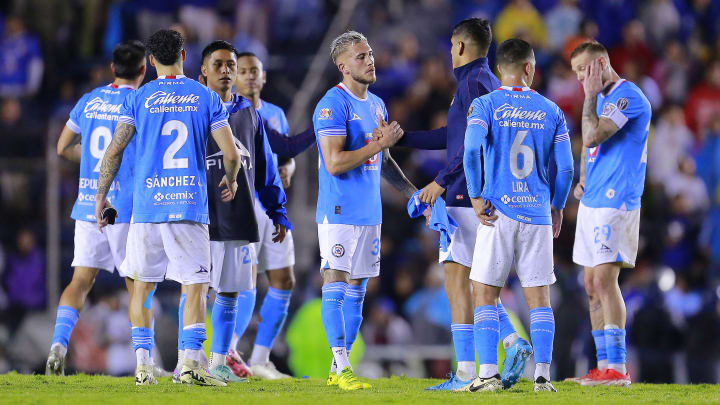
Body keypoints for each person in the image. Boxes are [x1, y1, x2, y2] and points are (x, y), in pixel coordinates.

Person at [95, 29, 240, 387]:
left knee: (141, 288)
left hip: (147, 209)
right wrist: (232, 179)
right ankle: (190, 365)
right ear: (184, 55)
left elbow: (114, 151)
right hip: (188, 206)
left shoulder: (138, 99)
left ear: (150, 62)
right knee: (195, 286)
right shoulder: (205, 96)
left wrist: (101, 196)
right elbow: (231, 154)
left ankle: (143, 367)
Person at [396, 18, 530, 390]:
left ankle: (470, 371)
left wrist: (441, 183)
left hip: (464, 193)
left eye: (452, 45)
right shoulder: (480, 82)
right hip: (474, 192)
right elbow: (452, 136)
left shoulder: (473, 84)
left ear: (459, 47)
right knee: (473, 279)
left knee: (458, 279)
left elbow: (472, 148)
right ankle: (510, 341)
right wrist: (404, 137)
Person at [169, 40, 291, 384]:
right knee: (195, 288)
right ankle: (186, 360)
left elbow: (265, 165)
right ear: (203, 70)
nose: (226, 70)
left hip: (238, 215)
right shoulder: (190, 109)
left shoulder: (249, 113)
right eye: (218, 64)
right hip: (198, 215)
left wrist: (277, 210)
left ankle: (219, 361)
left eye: (231, 65)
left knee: (230, 291)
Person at [463, 38, 574, 393]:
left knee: (484, 292)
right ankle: (542, 376)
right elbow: (568, 170)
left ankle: (489, 375)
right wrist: (556, 205)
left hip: (497, 211)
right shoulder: (552, 110)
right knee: (539, 297)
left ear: (499, 70)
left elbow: (470, 151)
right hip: (537, 213)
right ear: (530, 68)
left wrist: (477, 196)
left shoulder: (485, 104)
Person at [313, 30, 418, 390]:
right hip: (339, 210)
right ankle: (342, 365)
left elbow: (384, 160)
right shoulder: (332, 104)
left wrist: (410, 192)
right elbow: (334, 162)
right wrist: (379, 146)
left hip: (370, 212)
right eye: (361, 56)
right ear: (343, 66)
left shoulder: (377, 105)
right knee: (336, 283)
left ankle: (337, 364)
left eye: (370, 53)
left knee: (359, 290)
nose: (370, 60)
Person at [46, 40, 146, 376]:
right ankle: (146, 361)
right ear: (143, 70)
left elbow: (62, 147)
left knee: (80, 282)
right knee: (136, 283)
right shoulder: (140, 102)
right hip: (123, 206)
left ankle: (58, 348)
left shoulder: (89, 101)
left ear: (112, 69)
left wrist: (88, 160)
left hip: (88, 204)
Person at [225, 51, 315, 379]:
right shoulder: (229, 111)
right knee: (244, 280)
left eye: (255, 71)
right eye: (243, 71)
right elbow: (285, 146)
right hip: (242, 207)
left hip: (272, 208)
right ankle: (228, 353)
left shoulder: (275, 113)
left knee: (283, 279)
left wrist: (288, 166)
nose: (249, 76)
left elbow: (284, 152)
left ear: (264, 78)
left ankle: (261, 358)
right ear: (234, 78)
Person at [567, 41, 651, 387]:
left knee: (604, 280)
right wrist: (585, 178)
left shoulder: (627, 96)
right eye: (575, 74)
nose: (580, 79)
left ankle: (617, 368)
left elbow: (592, 135)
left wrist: (588, 95)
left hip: (618, 201)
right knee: (590, 285)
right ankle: (603, 367)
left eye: (583, 71)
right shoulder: (600, 98)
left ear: (601, 64)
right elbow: (594, 149)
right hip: (594, 200)